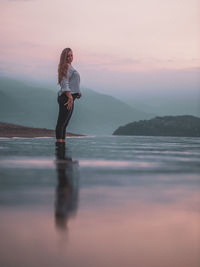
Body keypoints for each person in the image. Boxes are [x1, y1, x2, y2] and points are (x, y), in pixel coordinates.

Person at [55, 48, 82, 145]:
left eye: (71, 55)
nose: (70, 57)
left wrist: (78, 92)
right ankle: (60, 148)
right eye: (68, 56)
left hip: (70, 97)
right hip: (66, 98)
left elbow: (72, 83)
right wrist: (70, 97)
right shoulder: (66, 66)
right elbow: (64, 83)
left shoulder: (70, 67)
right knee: (61, 124)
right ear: (64, 57)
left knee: (64, 124)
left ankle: (62, 148)